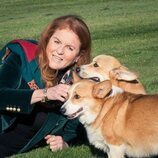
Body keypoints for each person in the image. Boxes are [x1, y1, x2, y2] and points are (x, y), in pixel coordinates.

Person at [0, 15, 91, 157]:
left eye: (69, 48)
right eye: (56, 42)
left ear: (78, 56)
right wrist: (45, 93)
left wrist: (65, 142)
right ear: (47, 40)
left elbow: (82, 127)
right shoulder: (23, 56)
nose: (59, 51)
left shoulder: (77, 85)